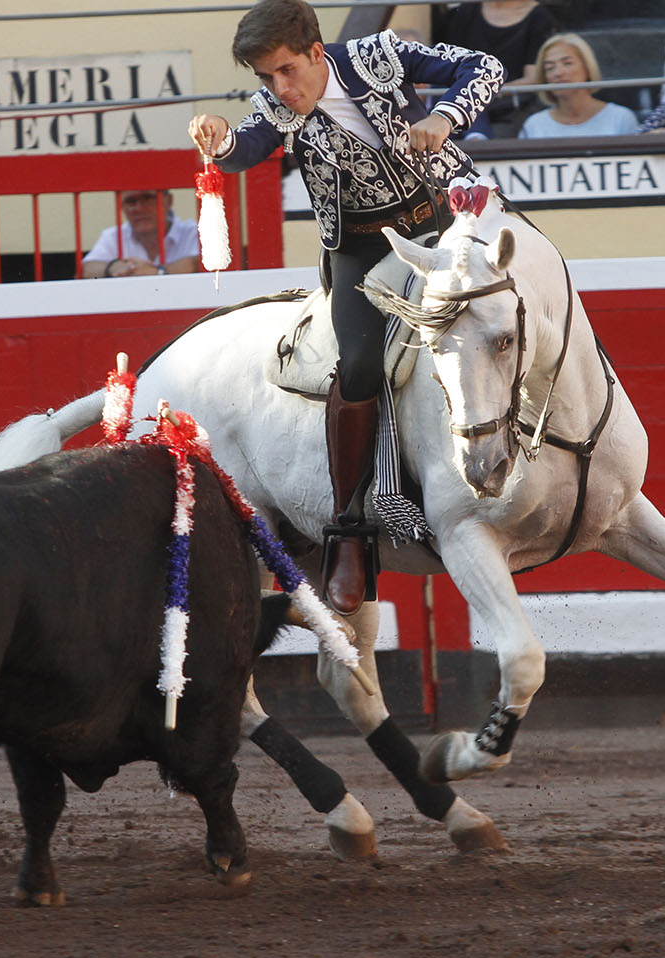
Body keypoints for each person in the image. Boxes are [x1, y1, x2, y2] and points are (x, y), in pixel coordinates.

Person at [187, 0, 504, 614]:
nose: (281, 89)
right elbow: (247, 147)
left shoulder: (377, 55)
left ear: (314, 52)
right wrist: (221, 140)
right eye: (265, 77)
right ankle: (349, 526)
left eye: (287, 71)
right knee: (357, 365)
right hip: (362, 246)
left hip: (449, 221)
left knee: (515, 302)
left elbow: (483, 66)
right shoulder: (275, 107)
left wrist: (444, 115)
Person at [438, 1, 555, 136]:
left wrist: (488, 91)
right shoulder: (467, 11)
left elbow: (533, 78)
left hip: (513, 105)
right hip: (467, 100)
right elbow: (451, 65)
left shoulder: (539, 16)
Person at [518, 33, 639, 138]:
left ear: (587, 68)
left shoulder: (620, 119)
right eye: (550, 68)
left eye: (567, 63)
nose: (558, 73)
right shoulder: (534, 125)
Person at [80, 189, 200, 277]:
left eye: (147, 198)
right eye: (130, 201)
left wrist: (156, 272)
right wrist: (113, 267)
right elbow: (87, 269)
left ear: (168, 201)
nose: (139, 208)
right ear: (122, 207)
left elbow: (201, 264)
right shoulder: (113, 236)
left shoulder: (194, 232)